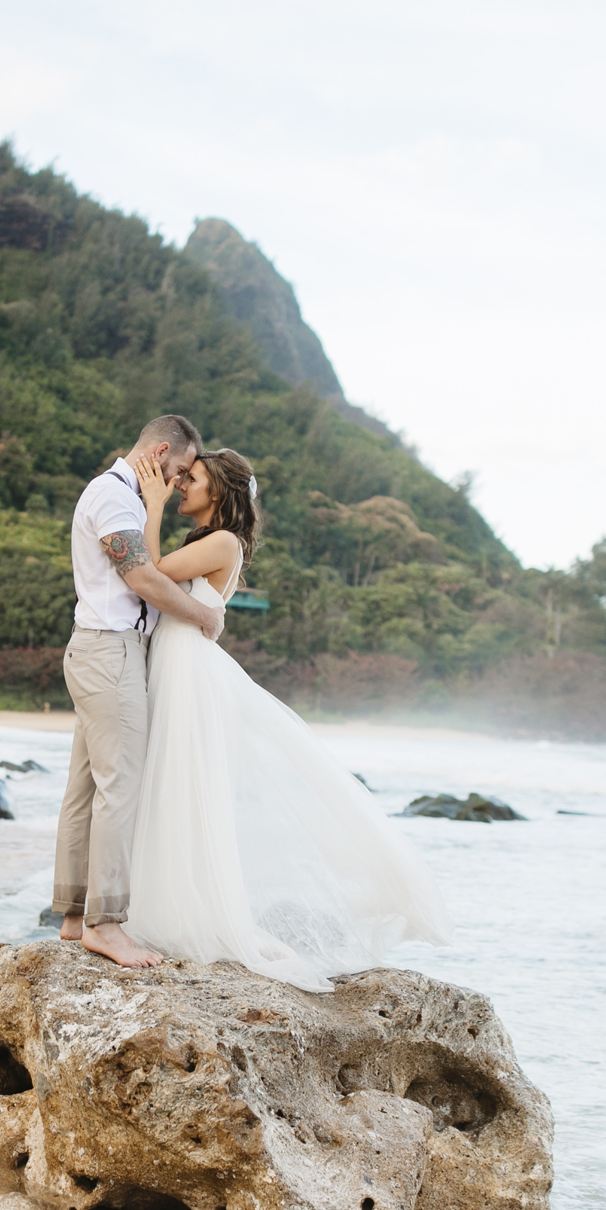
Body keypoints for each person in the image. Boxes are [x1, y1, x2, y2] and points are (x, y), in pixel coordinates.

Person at [120, 446, 451, 991]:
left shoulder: (222, 541)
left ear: (218, 492)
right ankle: (163, 905)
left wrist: (151, 504)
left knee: (182, 785)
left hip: (190, 672)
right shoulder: (207, 542)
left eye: (192, 479)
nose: (182, 485)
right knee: (170, 786)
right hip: (178, 664)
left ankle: (183, 913)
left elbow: (149, 573)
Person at [53, 414, 223, 968]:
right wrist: (204, 616)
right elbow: (143, 577)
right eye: (178, 470)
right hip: (110, 653)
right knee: (118, 789)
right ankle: (106, 925)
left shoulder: (120, 495)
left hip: (101, 651)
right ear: (162, 450)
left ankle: (76, 918)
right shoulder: (113, 495)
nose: (176, 483)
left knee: (86, 790)